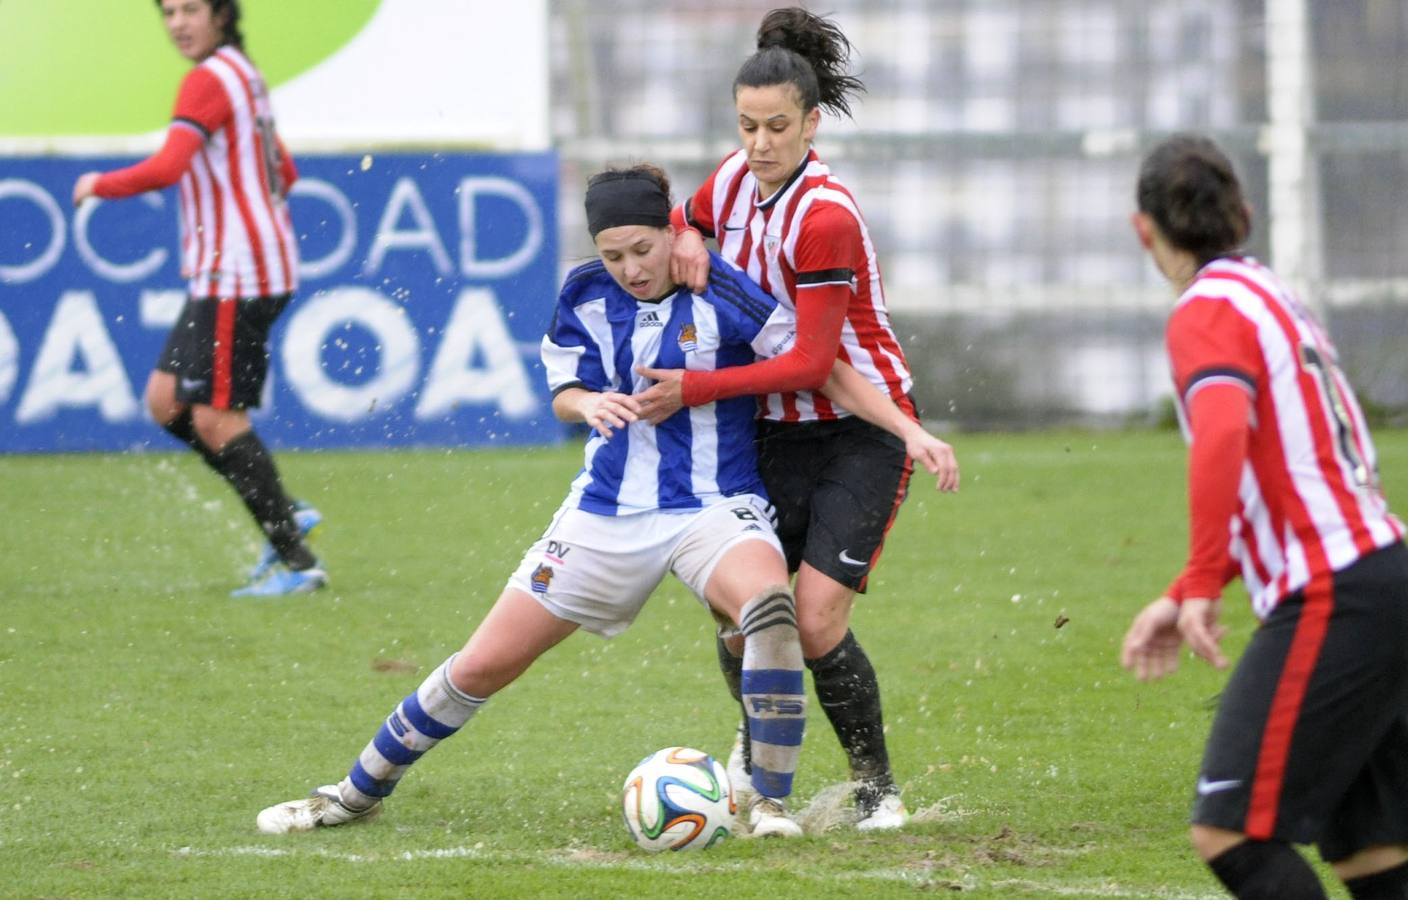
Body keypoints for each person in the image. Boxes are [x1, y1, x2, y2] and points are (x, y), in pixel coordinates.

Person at [255, 164, 954, 839]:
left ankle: (769, 806)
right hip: (605, 512)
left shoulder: (721, 289)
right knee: (481, 665)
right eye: (613, 254)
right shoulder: (584, 292)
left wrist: (908, 430)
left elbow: (820, 367)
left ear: (672, 233)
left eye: (642, 249)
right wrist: (588, 403)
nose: (630, 268)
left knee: (769, 609)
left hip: (715, 506)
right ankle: (353, 794)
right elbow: (564, 391)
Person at [633, 7, 959, 831]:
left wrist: (693, 387)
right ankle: (755, 747)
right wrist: (685, 232)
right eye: (746, 126)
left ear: (811, 125)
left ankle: (877, 790)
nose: (759, 143)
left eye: (777, 127)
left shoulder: (825, 216)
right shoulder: (733, 181)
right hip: (768, 429)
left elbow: (815, 365)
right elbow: (687, 219)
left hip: (859, 429)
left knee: (812, 619)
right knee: (743, 615)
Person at [1120, 134, 1408, 898]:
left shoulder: (1207, 310)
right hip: (1382, 577)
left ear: (1143, 230)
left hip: (1335, 590)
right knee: (1372, 854)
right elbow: (1282, 474)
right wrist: (1185, 589)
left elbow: (1223, 435)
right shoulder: (1271, 296)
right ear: (1242, 214)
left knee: (1231, 830)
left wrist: (1202, 582)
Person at [71, 0, 322, 597]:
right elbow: (283, 170)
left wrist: (98, 184)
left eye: (191, 9)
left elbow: (169, 166)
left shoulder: (208, 79)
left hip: (238, 273)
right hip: (232, 271)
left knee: (214, 416)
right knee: (166, 403)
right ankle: (281, 507)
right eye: (168, 12)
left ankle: (299, 563)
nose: (178, 23)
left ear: (221, 14)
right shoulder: (243, 71)